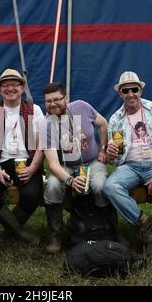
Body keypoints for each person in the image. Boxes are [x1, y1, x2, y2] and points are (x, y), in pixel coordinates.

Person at [103, 71, 152, 258]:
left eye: (134, 89)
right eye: (126, 90)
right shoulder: (115, 119)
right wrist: (110, 153)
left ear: (140, 90)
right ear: (120, 94)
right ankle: (145, 227)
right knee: (110, 186)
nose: (130, 94)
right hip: (129, 165)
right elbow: (114, 159)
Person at [39, 82, 112, 253]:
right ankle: (55, 235)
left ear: (66, 98)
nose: (53, 104)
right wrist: (70, 181)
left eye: (57, 99)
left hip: (93, 161)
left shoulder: (81, 107)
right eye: (48, 101)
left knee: (100, 186)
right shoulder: (46, 125)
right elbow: (53, 164)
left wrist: (103, 148)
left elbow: (102, 123)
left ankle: (110, 230)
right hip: (66, 166)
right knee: (52, 185)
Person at [0, 69, 44, 244]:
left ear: (22, 87)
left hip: (27, 162)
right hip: (0, 163)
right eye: (5, 85)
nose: (10, 88)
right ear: (0, 90)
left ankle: (7, 233)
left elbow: (41, 145)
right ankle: (20, 232)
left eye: (14, 84)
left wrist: (33, 168)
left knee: (33, 194)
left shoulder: (33, 109)